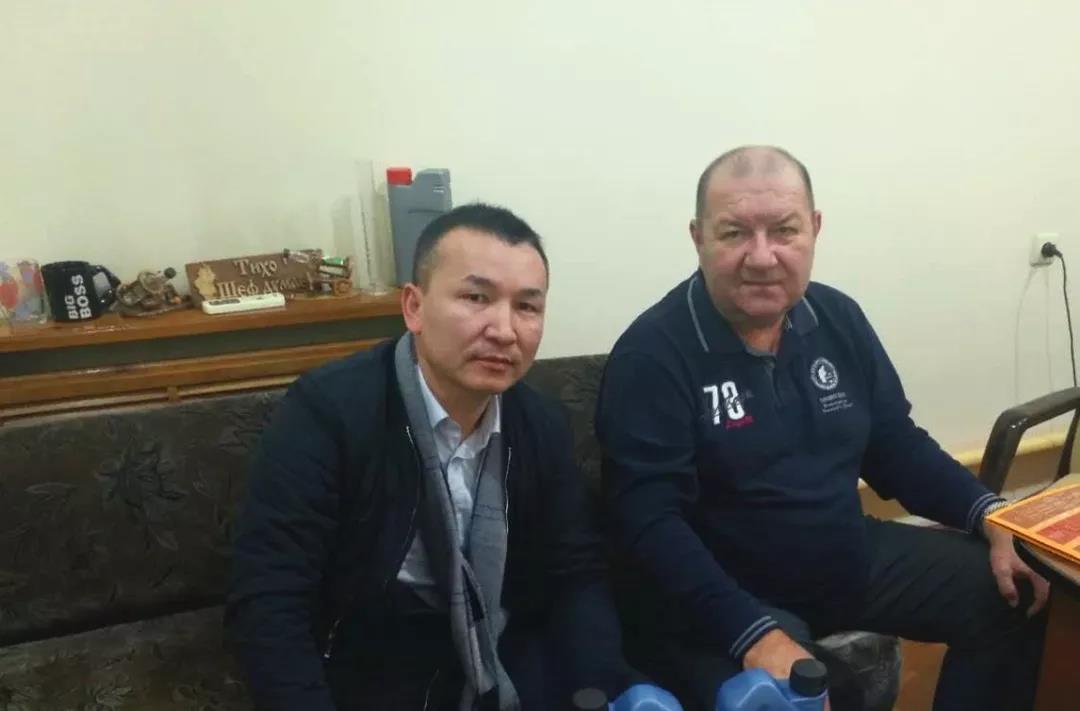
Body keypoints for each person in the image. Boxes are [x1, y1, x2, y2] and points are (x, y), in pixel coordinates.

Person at [595, 146, 1049, 711]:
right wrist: (752, 634)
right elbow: (648, 522)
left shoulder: (839, 318)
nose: (762, 257)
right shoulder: (651, 355)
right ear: (698, 238)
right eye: (735, 233)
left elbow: (895, 445)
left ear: (814, 229)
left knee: (1019, 589)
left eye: (784, 231)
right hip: (728, 591)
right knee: (806, 696)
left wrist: (991, 513)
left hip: (844, 555)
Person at [227, 204, 646, 710]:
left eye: (527, 307)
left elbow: (575, 572)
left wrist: (597, 691)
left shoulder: (539, 422)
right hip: (373, 658)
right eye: (476, 297)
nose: (504, 330)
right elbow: (270, 598)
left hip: (502, 650)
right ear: (414, 307)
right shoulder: (330, 413)